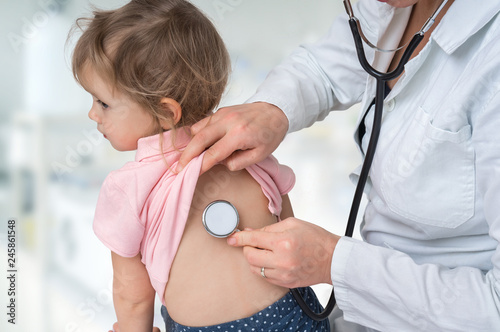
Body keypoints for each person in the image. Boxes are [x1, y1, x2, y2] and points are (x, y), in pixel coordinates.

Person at [176, 0, 500, 330]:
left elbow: (495, 310)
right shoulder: (391, 5)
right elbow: (328, 64)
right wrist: (273, 110)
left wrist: (334, 262)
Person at [70, 0, 331, 331]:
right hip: (295, 317)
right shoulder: (249, 152)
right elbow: (290, 234)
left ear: (166, 112)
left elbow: (133, 295)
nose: (93, 114)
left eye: (103, 103)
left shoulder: (127, 188)